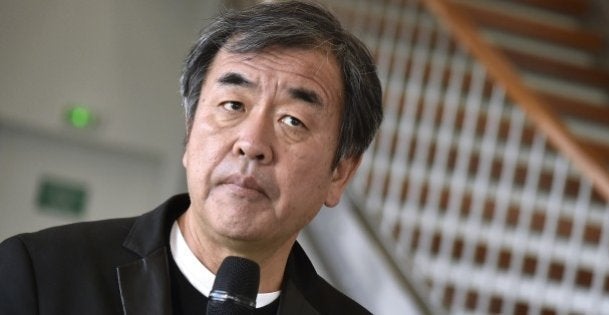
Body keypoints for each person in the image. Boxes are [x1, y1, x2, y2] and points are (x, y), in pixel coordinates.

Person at [0, 1, 382, 314]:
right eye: (233, 105)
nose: (251, 143)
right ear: (189, 132)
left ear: (341, 172)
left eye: (292, 120)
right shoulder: (40, 274)